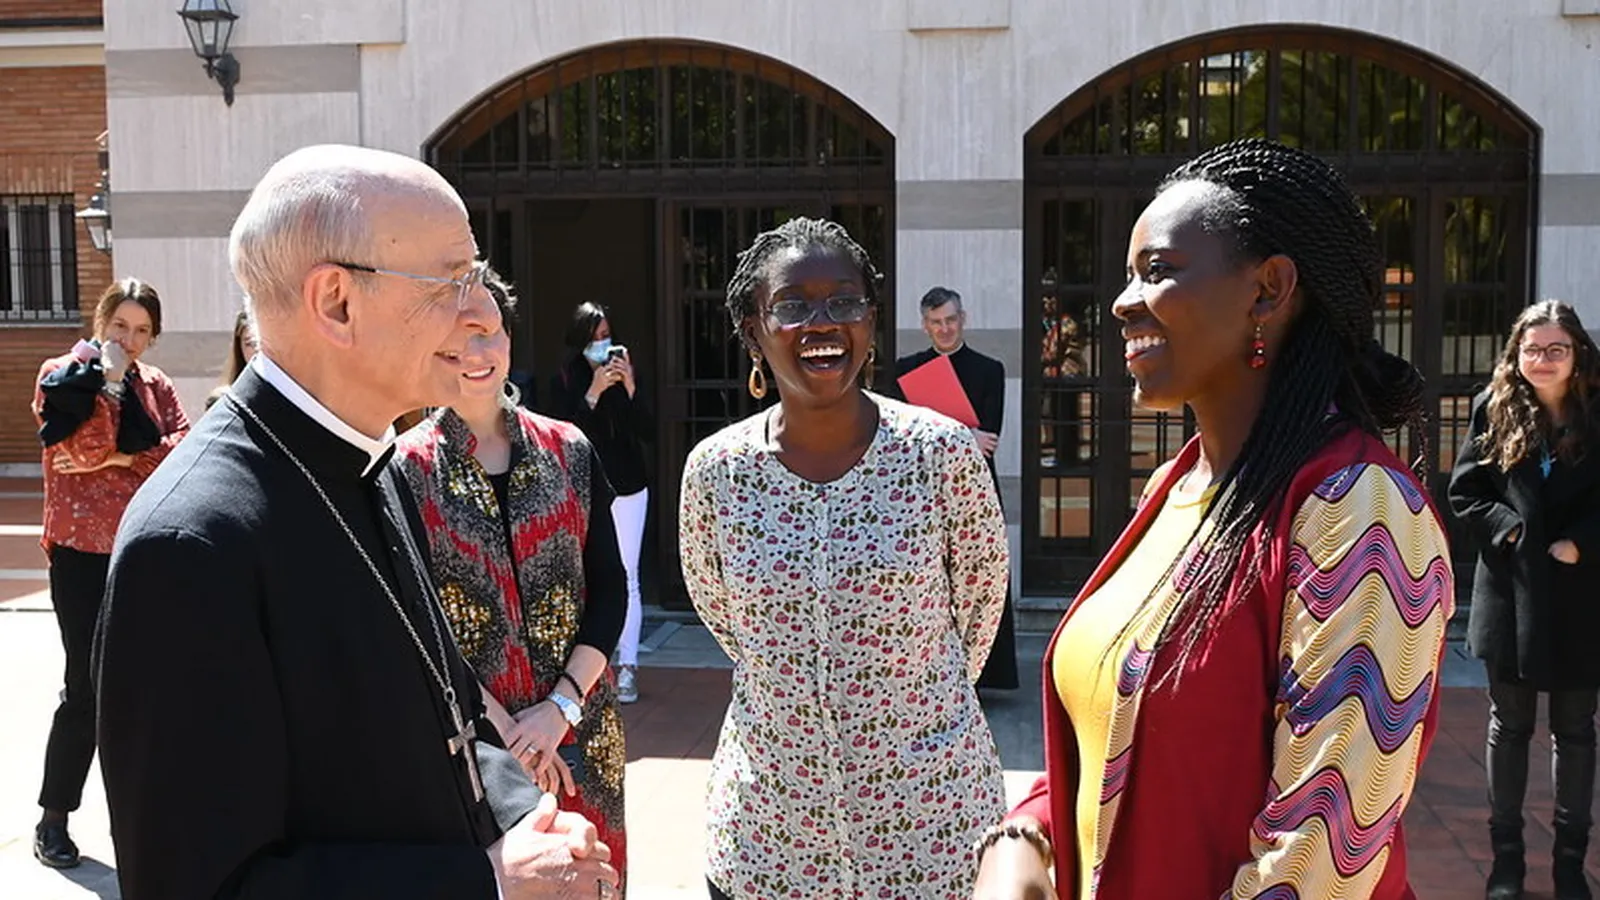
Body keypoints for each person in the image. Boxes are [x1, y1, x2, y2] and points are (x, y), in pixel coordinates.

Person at [93, 144, 617, 900]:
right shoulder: (189, 545)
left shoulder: (380, 465)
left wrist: (526, 818)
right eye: (452, 282)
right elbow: (201, 886)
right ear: (337, 303)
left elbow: (451, 711)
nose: (482, 313)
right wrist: (486, 883)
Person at [972, 139, 1453, 900]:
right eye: (1129, 274)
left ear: (1269, 288)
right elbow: (1111, 716)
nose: (1122, 302)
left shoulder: (1359, 508)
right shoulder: (1178, 486)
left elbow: (1324, 857)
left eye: (1157, 271)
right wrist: (1025, 838)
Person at [679, 217, 1010, 899]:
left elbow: (979, 611)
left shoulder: (941, 454)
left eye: (844, 301)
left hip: (931, 835)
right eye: (793, 305)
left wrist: (902, 710)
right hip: (771, 842)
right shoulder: (717, 472)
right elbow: (723, 616)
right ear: (753, 331)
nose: (823, 322)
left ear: (871, 320)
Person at [396, 271, 631, 891]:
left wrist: (558, 709)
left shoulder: (569, 450)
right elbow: (415, 624)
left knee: (594, 882)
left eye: (486, 330)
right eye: (452, 336)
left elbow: (609, 590)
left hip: (583, 731)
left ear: (508, 335)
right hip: (474, 750)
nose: (472, 352)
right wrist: (508, 732)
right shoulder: (404, 471)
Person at [29, 277, 189, 869]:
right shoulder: (61, 375)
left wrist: (126, 456)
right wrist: (112, 385)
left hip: (142, 551)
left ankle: (144, 822)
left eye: (142, 330)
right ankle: (53, 819)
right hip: (80, 554)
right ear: (101, 322)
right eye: (120, 325)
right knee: (86, 690)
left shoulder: (158, 385)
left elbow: (182, 450)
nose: (129, 339)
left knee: (144, 689)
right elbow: (82, 450)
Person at [1448, 299, 1600, 900]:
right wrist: (1508, 530)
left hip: (1581, 596)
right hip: (1511, 595)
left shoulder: (1596, 411)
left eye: (1555, 349)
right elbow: (1466, 491)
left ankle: (1569, 863)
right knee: (1509, 727)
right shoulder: (1494, 408)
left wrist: (1583, 543)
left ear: (1577, 354)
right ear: (1516, 355)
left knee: (1576, 730)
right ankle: (1506, 862)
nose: (1543, 360)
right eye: (1532, 349)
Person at [893, 286, 1017, 689]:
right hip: (923, 493)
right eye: (936, 322)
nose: (944, 328)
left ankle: (983, 676)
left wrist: (939, 434)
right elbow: (898, 439)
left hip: (975, 489)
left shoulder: (990, 369)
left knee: (981, 577)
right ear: (924, 325)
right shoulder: (905, 370)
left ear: (963, 319)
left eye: (950, 319)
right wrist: (965, 433)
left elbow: (989, 441)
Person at [551, 302, 653, 704]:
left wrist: (630, 387)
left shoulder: (625, 373)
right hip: (585, 488)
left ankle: (628, 666)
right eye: (594, 337)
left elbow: (647, 429)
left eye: (606, 335)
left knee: (628, 575)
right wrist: (592, 393)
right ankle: (590, 668)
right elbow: (565, 435)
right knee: (586, 575)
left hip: (628, 486)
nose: (602, 345)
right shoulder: (566, 378)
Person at [204, 308, 260, 410]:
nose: (258, 350)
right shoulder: (222, 400)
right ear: (240, 347)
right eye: (251, 343)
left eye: (262, 343)